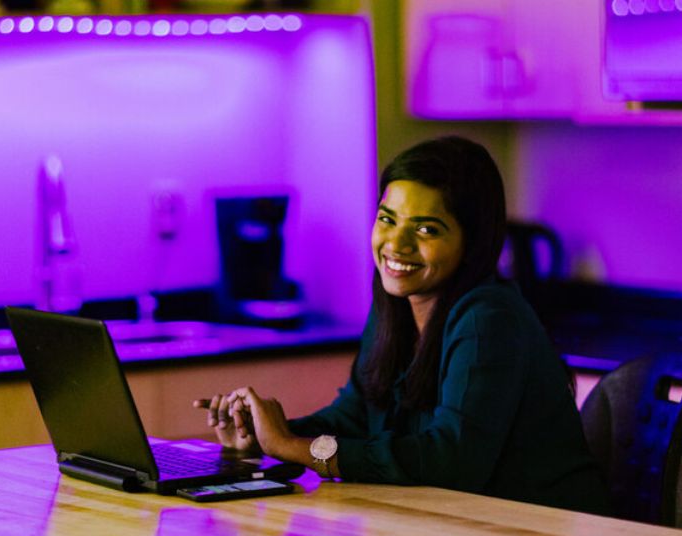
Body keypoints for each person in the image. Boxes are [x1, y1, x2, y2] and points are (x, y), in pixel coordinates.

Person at [195, 135, 610, 515]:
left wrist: (292, 447)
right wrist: (269, 437)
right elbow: (355, 416)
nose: (396, 244)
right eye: (387, 219)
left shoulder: (488, 319)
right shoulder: (396, 302)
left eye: (426, 229)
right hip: (461, 530)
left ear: (474, 242)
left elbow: (451, 461)